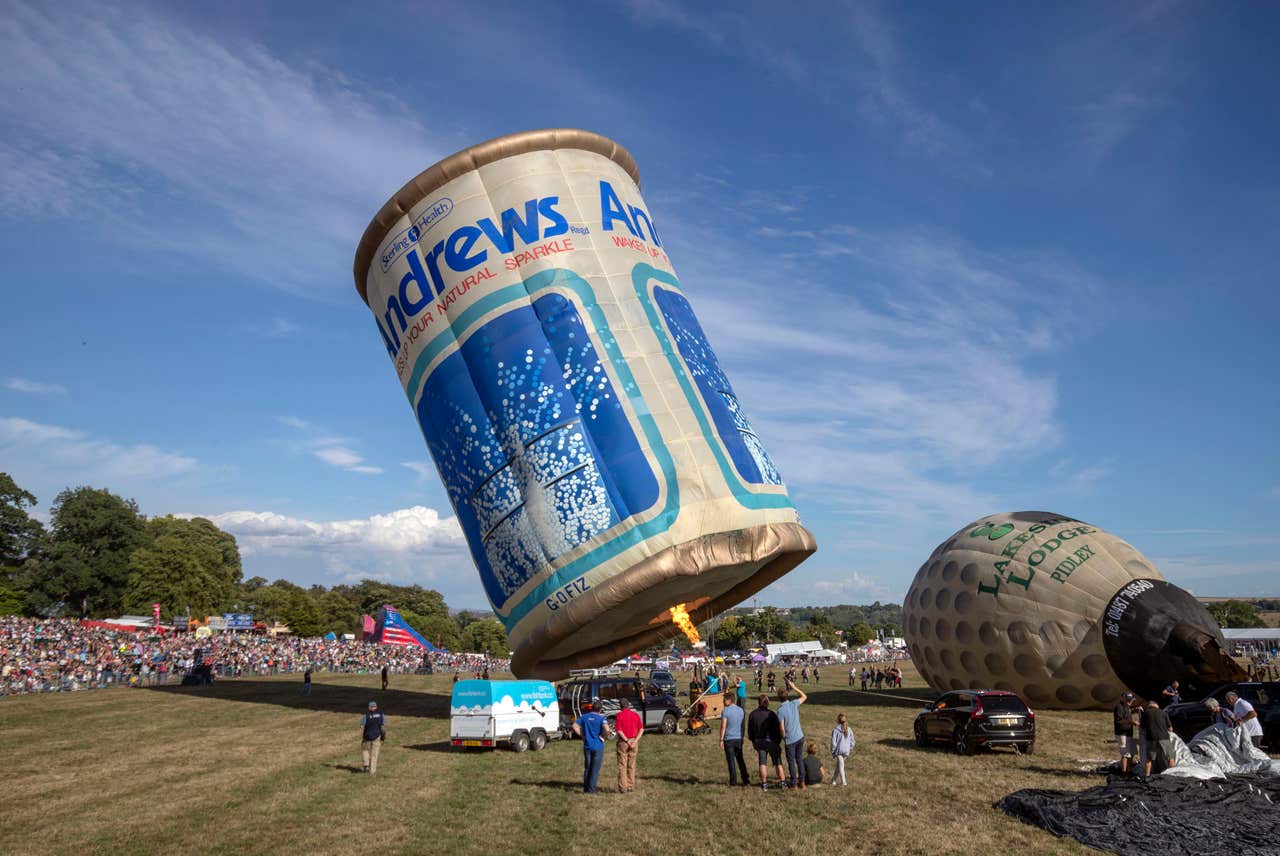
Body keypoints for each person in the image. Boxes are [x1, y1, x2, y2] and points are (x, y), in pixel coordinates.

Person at [572, 697, 611, 793]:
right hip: (598, 746)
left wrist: (582, 735)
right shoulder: (602, 718)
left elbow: (574, 725)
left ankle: (585, 788)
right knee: (595, 769)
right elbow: (607, 730)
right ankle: (591, 790)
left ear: (592, 708)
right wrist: (603, 737)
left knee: (587, 768)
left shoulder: (585, 717)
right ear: (600, 710)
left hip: (587, 745)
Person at [747, 694, 785, 791]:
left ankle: (764, 784)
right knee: (778, 763)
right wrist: (778, 741)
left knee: (762, 763)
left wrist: (753, 741)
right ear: (767, 702)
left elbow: (750, 731)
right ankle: (783, 783)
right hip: (772, 741)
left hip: (759, 742)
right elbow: (778, 729)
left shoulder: (752, 714)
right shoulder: (771, 714)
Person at [777, 679, 808, 790]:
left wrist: (784, 737)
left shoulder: (780, 710)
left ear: (779, 698)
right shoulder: (793, 703)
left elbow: (781, 728)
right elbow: (804, 696)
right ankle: (802, 782)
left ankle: (794, 784)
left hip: (790, 740)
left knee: (791, 762)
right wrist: (794, 687)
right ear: (787, 696)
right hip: (799, 736)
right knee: (799, 759)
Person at [720, 691, 750, 786]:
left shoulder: (725, 711)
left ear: (729, 700)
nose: (723, 701)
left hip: (729, 739)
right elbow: (743, 725)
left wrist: (721, 739)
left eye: (724, 699)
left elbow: (723, 727)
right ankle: (746, 780)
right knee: (740, 760)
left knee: (731, 761)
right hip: (738, 739)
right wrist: (742, 737)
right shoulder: (741, 710)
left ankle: (733, 782)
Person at [1140, 700, 1175, 779]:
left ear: (1149, 706)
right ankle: (1174, 775)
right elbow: (1170, 728)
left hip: (1151, 739)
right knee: (1170, 757)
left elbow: (1142, 729)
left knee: (1149, 759)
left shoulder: (1145, 714)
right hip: (1164, 738)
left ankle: (1147, 775)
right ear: (1157, 705)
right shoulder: (1163, 713)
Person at [614, 698, 643, 793]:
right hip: (634, 741)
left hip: (623, 742)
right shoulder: (635, 715)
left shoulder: (619, 715)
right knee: (631, 764)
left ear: (620, 706)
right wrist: (635, 741)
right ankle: (630, 785)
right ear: (629, 705)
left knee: (622, 765)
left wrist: (627, 740)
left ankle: (623, 787)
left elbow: (619, 730)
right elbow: (641, 729)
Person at [1113, 691, 1138, 775]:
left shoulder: (1127, 707)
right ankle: (1123, 772)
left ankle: (1129, 770)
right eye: (1128, 699)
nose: (1129, 701)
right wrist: (1132, 722)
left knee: (1132, 752)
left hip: (1128, 733)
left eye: (1131, 700)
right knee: (1125, 753)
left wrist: (1136, 710)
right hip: (1122, 733)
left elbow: (1128, 713)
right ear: (1123, 698)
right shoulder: (1119, 707)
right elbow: (1119, 721)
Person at [360, 700, 386, 775]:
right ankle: (372, 771)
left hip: (367, 736)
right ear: (376, 707)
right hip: (377, 736)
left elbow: (361, 726)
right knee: (374, 754)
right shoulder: (381, 714)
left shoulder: (366, 716)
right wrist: (383, 735)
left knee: (365, 750)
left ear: (369, 708)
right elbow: (383, 725)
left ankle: (366, 764)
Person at [830, 712, 854, 786]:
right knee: (840, 765)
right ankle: (834, 780)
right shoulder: (849, 729)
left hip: (839, 752)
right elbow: (852, 741)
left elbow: (833, 743)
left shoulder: (835, 731)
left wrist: (833, 751)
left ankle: (843, 782)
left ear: (838, 721)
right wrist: (850, 748)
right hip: (846, 752)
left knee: (840, 766)